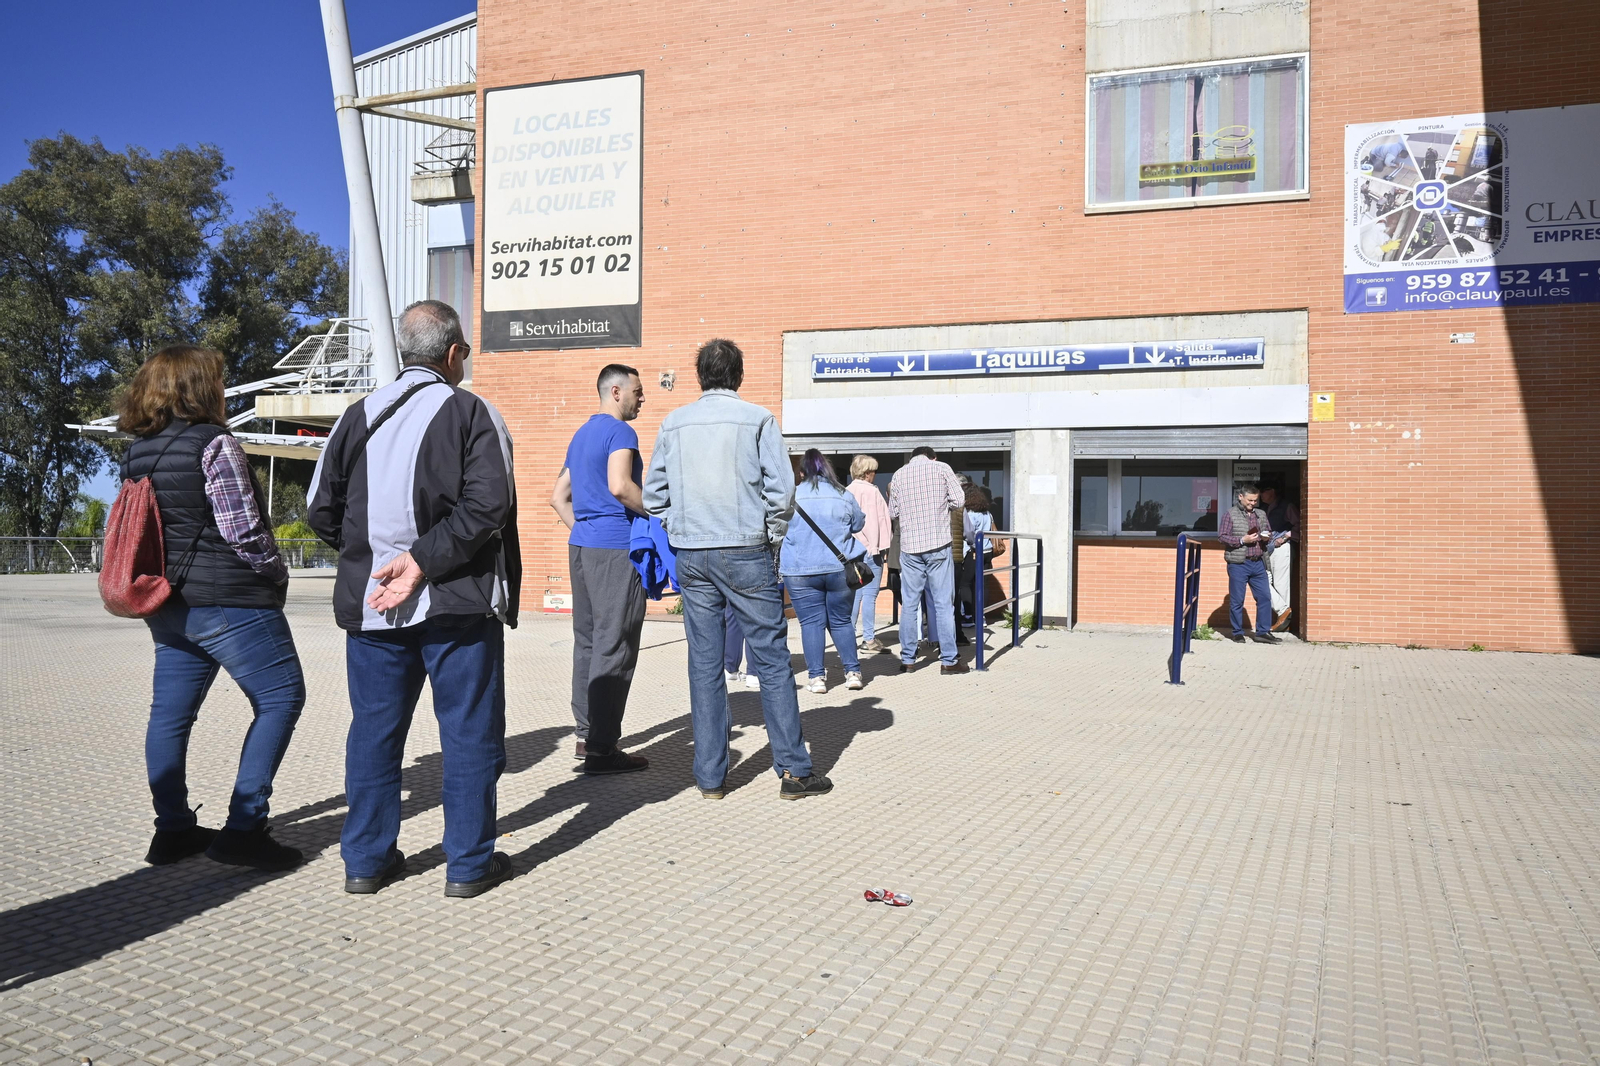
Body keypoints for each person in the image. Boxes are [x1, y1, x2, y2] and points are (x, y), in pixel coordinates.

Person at [307, 300, 521, 898]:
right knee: (469, 733)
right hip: (457, 604)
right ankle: (468, 866)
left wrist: (374, 559)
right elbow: (489, 507)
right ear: (453, 353)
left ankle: (365, 862)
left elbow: (320, 510)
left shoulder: (356, 415)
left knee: (374, 733)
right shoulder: (472, 411)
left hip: (374, 603)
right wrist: (423, 561)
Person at [118, 345, 306, 872]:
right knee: (281, 697)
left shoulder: (136, 453)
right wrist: (277, 572)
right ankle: (244, 830)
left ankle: (173, 831)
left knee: (170, 715)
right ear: (200, 387)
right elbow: (241, 529)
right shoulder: (214, 443)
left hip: (167, 604)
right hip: (229, 600)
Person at [643, 338, 832, 801]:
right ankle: (794, 771)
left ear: (700, 376)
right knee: (771, 660)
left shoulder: (674, 422)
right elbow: (782, 491)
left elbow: (653, 496)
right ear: (739, 375)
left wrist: (678, 527)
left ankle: (710, 778)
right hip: (746, 548)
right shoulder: (758, 419)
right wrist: (771, 535)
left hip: (693, 552)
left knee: (704, 665)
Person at [549, 364, 651, 774]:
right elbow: (620, 486)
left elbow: (558, 497)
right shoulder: (621, 432)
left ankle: (586, 734)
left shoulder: (581, 434)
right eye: (638, 392)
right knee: (615, 643)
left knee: (588, 642)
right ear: (616, 392)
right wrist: (663, 517)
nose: (642, 398)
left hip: (583, 546)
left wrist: (586, 531)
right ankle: (602, 748)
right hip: (614, 549)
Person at [781, 449, 867, 693]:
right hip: (840, 567)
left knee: (811, 623)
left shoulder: (791, 496)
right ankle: (853, 673)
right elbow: (858, 524)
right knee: (841, 621)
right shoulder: (843, 494)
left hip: (799, 569)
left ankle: (817, 678)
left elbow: (777, 526)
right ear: (827, 470)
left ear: (801, 473)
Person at [888, 446, 968, 674]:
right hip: (938, 544)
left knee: (909, 605)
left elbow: (893, 512)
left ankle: (908, 660)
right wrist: (941, 508)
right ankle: (949, 661)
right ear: (933, 457)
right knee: (943, 604)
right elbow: (959, 500)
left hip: (910, 547)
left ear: (912, 457)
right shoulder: (942, 468)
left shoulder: (899, 474)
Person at [1217, 481, 1279, 645]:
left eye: (1255, 500)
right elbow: (1222, 537)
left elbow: (1269, 532)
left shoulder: (1261, 514)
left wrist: (1267, 536)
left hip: (1258, 562)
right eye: (1250, 500)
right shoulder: (1230, 514)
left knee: (1265, 597)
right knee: (1237, 600)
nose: (1253, 503)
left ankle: (1262, 632)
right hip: (1239, 563)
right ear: (1240, 497)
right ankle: (1237, 633)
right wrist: (1242, 540)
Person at [845, 455, 892, 654]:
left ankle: (848, 637)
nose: (875, 475)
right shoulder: (872, 492)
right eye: (874, 471)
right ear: (867, 473)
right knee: (870, 595)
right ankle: (869, 639)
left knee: (855, 595)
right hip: (871, 549)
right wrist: (877, 547)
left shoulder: (846, 491)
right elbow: (874, 522)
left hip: (851, 550)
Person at [1260, 483, 1300, 632]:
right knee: (1263, 580)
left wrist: (1284, 538)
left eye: (1263, 491)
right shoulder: (1263, 509)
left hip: (1281, 548)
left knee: (1281, 584)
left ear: (1272, 491)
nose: (1260, 495)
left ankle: (1284, 624)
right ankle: (1282, 614)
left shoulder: (1286, 506)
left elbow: (1299, 525)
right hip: (1267, 548)